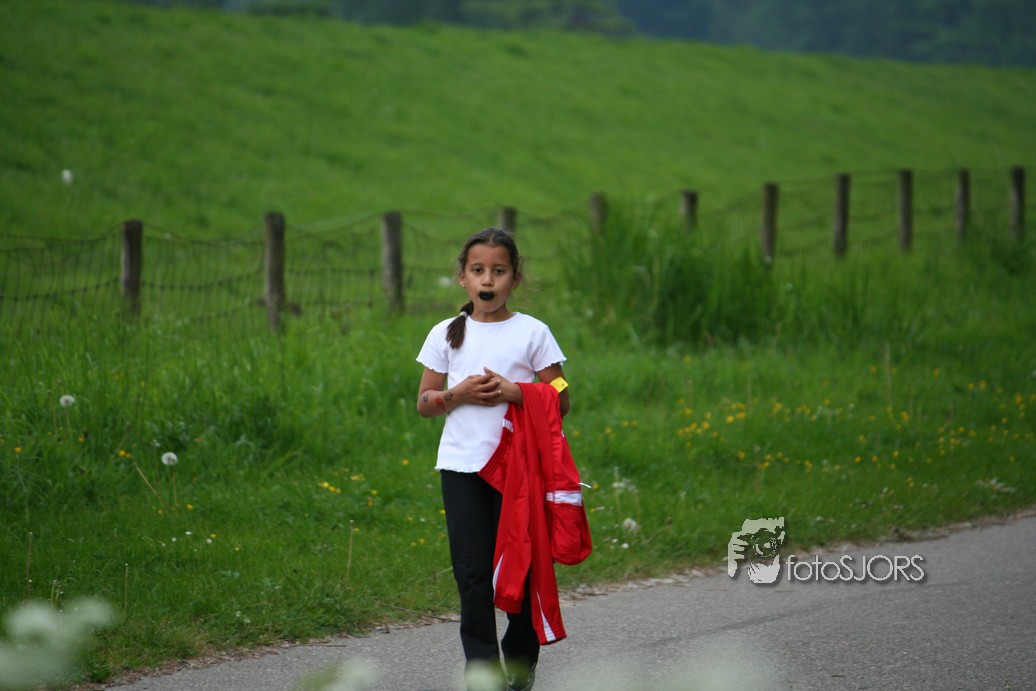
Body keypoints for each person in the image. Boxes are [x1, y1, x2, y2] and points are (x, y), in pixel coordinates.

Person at [416, 227, 569, 691]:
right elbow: (424, 401)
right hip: (462, 471)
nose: (488, 280)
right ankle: (482, 670)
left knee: (520, 568)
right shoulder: (445, 333)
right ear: (462, 277)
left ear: (515, 277)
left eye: (498, 271)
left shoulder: (533, 332)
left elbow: (561, 393)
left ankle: (520, 662)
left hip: (518, 472)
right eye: (478, 270)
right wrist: (457, 394)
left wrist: (518, 392)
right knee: (472, 576)